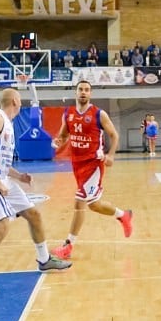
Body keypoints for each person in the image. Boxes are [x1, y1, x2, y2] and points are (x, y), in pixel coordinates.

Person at [0, 88, 71, 294]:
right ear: (14, 100)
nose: (22, 103)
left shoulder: (8, 124)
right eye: (20, 100)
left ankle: (44, 259)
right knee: (2, 226)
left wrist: (18, 176)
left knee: (34, 214)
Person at [50, 80, 133, 261]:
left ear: (91, 94)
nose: (83, 92)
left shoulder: (98, 114)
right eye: (80, 89)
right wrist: (58, 141)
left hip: (93, 164)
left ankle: (68, 246)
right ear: (75, 92)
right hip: (76, 164)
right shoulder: (69, 113)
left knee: (79, 203)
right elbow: (64, 135)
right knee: (94, 204)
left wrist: (110, 155)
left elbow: (114, 135)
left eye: (87, 90)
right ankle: (123, 215)